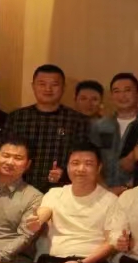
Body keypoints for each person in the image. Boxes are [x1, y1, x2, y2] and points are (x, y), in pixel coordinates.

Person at [28, 142, 117, 263]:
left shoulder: (111, 200)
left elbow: (111, 242)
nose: (81, 169)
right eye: (75, 163)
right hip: (53, 261)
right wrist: (37, 221)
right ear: (68, 167)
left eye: (88, 164)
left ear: (99, 168)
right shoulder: (54, 193)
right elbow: (45, 211)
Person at [7, 63, 87, 193]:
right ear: (33, 86)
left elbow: (84, 157)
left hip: (61, 191)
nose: (48, 89)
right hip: (19, 189)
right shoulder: (16, 117)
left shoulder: (77, 121)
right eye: (42, 84)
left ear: (63, 88)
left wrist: (65, 173)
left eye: (54, 84)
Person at [89, 72, 138, 194]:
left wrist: (127, 189)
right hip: (102, 192)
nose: (122, 96)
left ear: (137, 94)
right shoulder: (99, 126)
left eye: (127, 90)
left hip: (137, 193)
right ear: (111, 95)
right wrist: (105, 189)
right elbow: (91, 160)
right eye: (117, 91)